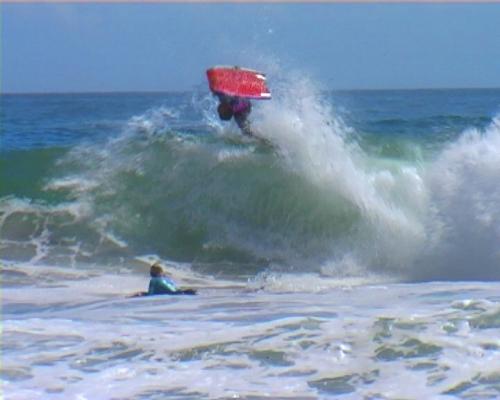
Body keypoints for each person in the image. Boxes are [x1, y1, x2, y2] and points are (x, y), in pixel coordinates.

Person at [130, 262, 196, 297]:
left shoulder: (153, 280)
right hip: (176, 291)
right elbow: (173, 288)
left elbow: (151, 294)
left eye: (151, 271)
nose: (150, 272)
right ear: (161, 272)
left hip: (170, 293)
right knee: (179, 291)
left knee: (140, 294)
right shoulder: (168, 279)